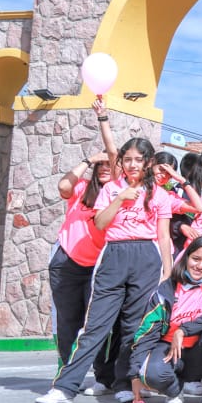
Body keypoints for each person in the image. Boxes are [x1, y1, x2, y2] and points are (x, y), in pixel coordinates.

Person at [37, 133, 177, 403]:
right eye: (128, 160)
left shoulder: (159, 194)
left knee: (133, 325)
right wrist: (120, 199)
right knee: (95, 324)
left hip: (146, 257)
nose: (133, 165)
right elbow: (101, 223)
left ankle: (123, 382)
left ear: (149, 163)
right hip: (114, 253)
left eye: (139, 160)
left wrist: (167, 271)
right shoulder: (111, 188)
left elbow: (163, 236)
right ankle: (65, 387)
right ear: (121, 163)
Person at [47, 106, 117, 375]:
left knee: (97, 322)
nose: (104, 169)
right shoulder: (80, 190)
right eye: (100, 167)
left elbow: (113, 154)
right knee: (67, 320)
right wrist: (89, 159)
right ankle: (65, 369)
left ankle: (102, 375)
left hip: (99, 266)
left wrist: (103, 121)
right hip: (67, 261)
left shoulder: (116, 193)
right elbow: (63, 186)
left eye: (108, 165)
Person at [128, 235, 202, 403]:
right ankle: (175, 389)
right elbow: (147, 331)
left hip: (200, 354)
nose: (200, 266)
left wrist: (182, 330)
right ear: (187, 257)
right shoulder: (166, 288)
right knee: (150, 374)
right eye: (196, 259)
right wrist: (134, 375)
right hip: (170, 351)